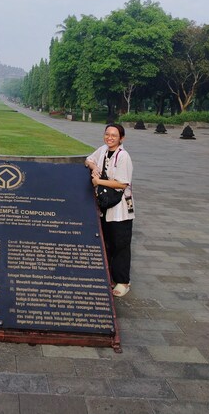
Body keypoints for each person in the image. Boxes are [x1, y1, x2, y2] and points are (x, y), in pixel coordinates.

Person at [85, 123, 135, 297]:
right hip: (105, 205)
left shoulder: (123, 156)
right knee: (107, 242)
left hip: (120, 207)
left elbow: (122, 183)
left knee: (120, 244)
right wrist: (94, 168)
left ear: (121, 138)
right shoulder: (103, 150)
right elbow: (88, 159)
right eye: (107, 134)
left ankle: (123, 281)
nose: (110, 137)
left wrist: (99, 182)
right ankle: (109, 277)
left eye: (114, 135)